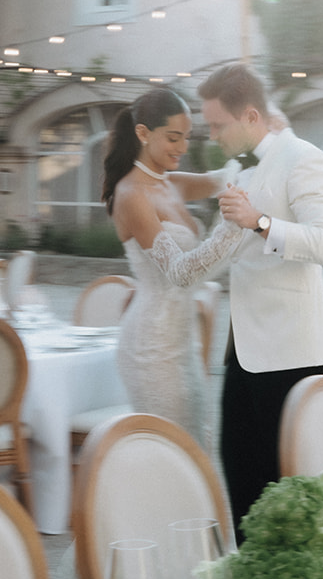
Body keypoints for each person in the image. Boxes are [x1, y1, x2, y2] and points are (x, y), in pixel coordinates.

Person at [198, 63, 323, 538]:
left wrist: (260, 222)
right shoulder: (242, 169)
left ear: (251, 116)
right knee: (238, 471)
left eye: (219, 125)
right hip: (243, 347)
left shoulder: (306, 159)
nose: (213, 134)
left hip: (290, 351)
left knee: (282, 483)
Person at [103, 87, 244, 442]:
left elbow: (227, 179)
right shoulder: (131, 194)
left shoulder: (170, 183)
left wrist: (257, 146)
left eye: (187, 137)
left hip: (183, 340)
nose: (182, 147)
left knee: (198, 441)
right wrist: (230, 226)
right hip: (151, 347)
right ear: (142, 133)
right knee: (171, 449)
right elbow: (181, 273)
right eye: (173, 137)